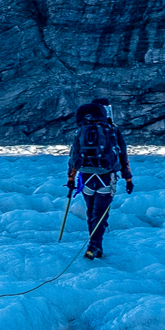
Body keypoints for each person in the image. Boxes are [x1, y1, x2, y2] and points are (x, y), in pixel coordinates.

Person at [67, 97, 133, 259]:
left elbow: (73, 156)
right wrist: (128, 179)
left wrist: (70, 179)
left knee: (92, 213)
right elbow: (123, 155)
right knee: (101, 213)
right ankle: (94, 245)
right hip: (106, 176)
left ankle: (95, 245)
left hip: (86, 177)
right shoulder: (112, 130)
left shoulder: (82, 129)